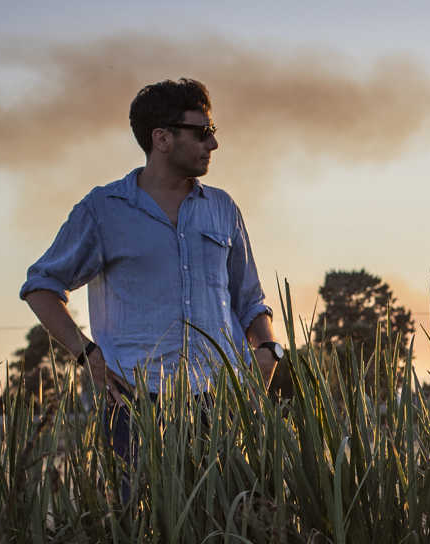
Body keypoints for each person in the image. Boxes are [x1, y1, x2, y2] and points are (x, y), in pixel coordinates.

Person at [19, 78, 285, 458]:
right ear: (162, 138)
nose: (213, 143)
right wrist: (86, 355)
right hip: (135, 404)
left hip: (221, 402)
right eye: (202, 132)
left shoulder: (223, 209)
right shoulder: (104, 210)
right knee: (136, 498)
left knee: (232, 499)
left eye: (213, 131)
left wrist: (270, 350)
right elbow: (41, 286)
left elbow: (250, 300)